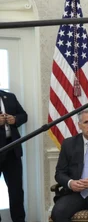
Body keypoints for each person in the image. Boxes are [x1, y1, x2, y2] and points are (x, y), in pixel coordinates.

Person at [0, 90, 27, 222]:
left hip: (12, 150)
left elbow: (24, 115)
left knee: (16, 190)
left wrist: (15, 119)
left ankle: (19, 220)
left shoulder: (10, 97)